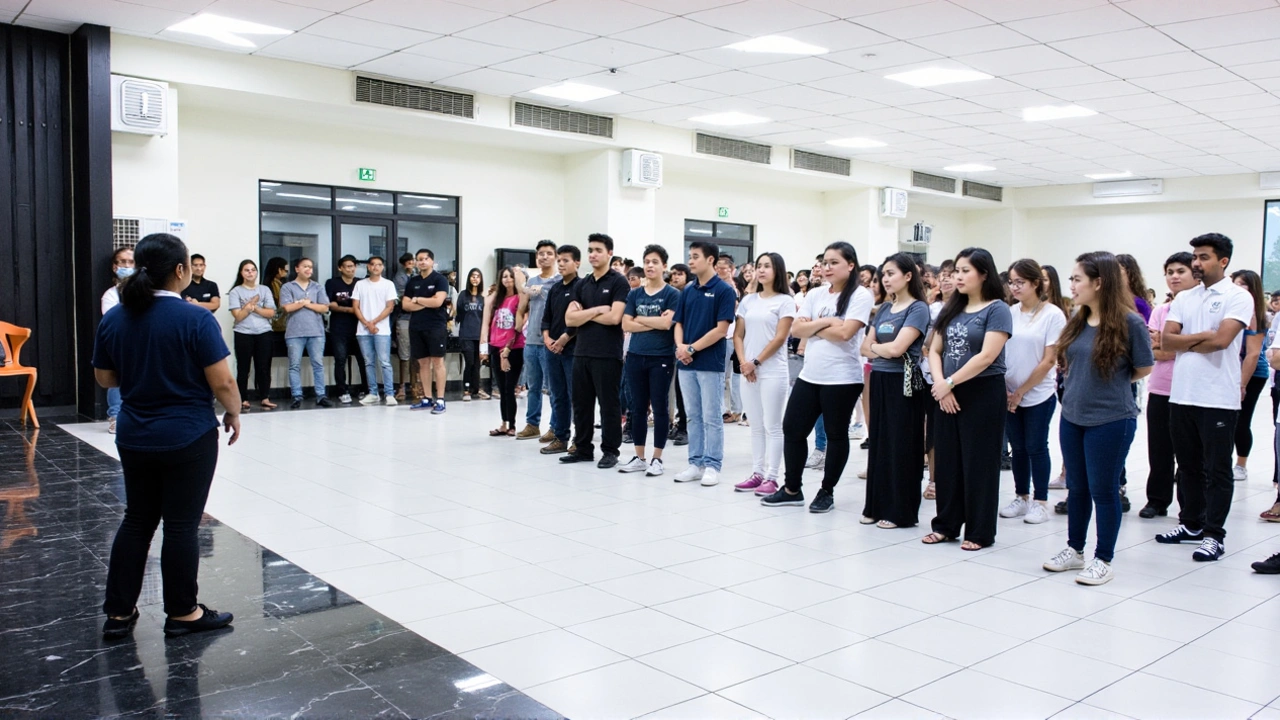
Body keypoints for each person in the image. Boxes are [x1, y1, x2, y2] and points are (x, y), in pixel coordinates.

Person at [92, 233, 237, 640]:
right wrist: (235, 412)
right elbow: (223, 381)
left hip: (134, 434)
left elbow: (105, 378)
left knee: (137, 520)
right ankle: (183, 613)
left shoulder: (115, 317)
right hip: (188, 436)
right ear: (180, 270)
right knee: (180, 525)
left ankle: (118, 613)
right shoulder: (195, 318)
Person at [1043, 252, 1153, 585]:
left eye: (1077, 279)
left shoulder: (1129, 321)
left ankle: (1103, 558)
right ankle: (1075, 551)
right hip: (1072, 415)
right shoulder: (1078, 317)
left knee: (1103, 491)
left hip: (1111, 419)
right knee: (1076, 489)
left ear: (1099, 282)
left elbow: (1143, 367)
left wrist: (1108, 386)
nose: (1071, 285)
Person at [1154, 233, 1253, 562]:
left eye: (1204, 257)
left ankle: (1214, 535)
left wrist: (1189, 339)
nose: (1196, 263)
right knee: (1188, 466)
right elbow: (1167, 342)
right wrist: (1202, 336)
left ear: (1223, 261)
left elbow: (1223, 341)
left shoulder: (1237, 297)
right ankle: (1191, 524)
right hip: (1182, 396)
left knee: (1217, 469)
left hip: (1217, 398)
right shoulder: (1184, 297)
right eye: (1195, 256)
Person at [761, 242, 872, 512]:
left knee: (835, 435)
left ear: (851, 265)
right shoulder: (816, 294)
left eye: (834, 262)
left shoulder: (860, 295)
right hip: (811, 375)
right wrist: (827, 323)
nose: (827, 267)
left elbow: (846, 334)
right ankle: (791, 489)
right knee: (793, 429)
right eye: (825, 262)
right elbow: (797, 330)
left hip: (843, 378)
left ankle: (826, 491)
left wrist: (815, 327)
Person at [922, 248, 1012, 551]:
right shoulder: (951, 308)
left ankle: (980, 531)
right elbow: (933, 350)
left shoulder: (997, 308)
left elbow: (987, 356)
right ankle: (946, 525)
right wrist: (940, 384)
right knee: (947, 461)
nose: (957, 277)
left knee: (979, 463)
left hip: (982, 391)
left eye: (965, 271)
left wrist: (948, 382)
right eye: (955, 271)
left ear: (984, 274)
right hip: (946, 390)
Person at [859, 254, 930, 528]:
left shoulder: (918, 309)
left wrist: (878, 349)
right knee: (879, 442)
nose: (886, 279)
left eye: (891, 274)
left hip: (905, 383)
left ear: (908, 276)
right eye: (883, 275)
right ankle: (876, 505)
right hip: (879, 380)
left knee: (902, 445)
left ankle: (901, 511)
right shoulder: (885, 309)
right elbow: (863, 347)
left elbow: (898, 349)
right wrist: (881, 350)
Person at [998, 259, 1067, 525]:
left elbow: (1049, 360)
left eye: (1020, 282)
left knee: (1036, 446)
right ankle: (1022, 496)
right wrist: (1007, 389)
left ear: (1035, 283)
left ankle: (1040, 501)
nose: (1014, 287)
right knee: (1018, 447)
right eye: (1011, 282)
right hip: (1009, 392)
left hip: (1038, 393)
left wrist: (1022, 391)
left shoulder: (1052, 314)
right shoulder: (1009, 312)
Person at [561, 234, 631, 468]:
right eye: (590, 250)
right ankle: (582, 448)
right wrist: (597, 310)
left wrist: (586, 315)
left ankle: (610, 450)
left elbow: (614, 318)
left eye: (598, 250)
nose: (593, 254)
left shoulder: (618, 282)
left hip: (607, 353)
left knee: (609, 404)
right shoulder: (583, 283)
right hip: (581, 352)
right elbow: (569, 318)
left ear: (609, 253)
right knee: (581, 403)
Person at [672, 241, 737, 486]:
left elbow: (721, 330)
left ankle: (712, 464)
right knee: (692, 416)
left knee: (711, 416)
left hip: (709, 362)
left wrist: (691, 348)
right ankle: (695, 462)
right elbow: (678, 322)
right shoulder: (688, 290)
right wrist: (680, 348)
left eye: (695, 256)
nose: (690, 261)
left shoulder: (724, 290)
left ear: (710, 260)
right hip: (685, 362)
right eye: (690, 256)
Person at [733, 252, 797, 495]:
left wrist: (756, 362)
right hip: (747, 370)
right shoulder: (749, 300)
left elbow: (781, 337)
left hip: (772, 371)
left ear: (777, 270)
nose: (761, 270)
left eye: (767, 266)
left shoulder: (785, 301)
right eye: (759, 266)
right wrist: (743, 362)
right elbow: (738, 335)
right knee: (756, 426)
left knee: (772, 425)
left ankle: (772, 476)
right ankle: (757, 472)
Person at [617, 245, 681, 476]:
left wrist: (641, 320)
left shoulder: (673, 294)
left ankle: (657, 458)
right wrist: (653, 320)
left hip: (661, 357)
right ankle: (640, 456)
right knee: (637, 407)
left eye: (655, 262)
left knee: (660, 407)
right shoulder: (635, 294)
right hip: (635, 356)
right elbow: (626, 324)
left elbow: (667, 325)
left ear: (664, 266)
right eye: (647, 262)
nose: (650, 266)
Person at [1140, 252, 1195, 519]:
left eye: (1180, 271)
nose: (1174, 276)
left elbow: (1199, 348)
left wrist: (1169, 343)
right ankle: (1157, 500)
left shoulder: (1199, 309)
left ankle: (1190, 507)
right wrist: (1173, 345)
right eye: (1170, 271)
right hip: (1161, 388)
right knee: (1159, 449)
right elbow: (1153, 349)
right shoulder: (1161, 310)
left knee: (1189, 454)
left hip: (1190, 391)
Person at [516, 240, 561, 440]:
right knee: (532, 386)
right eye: (541, 254)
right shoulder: (532, 281)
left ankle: (555, 426)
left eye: (548, 253)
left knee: (553, 388)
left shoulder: (559, 281)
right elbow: (522, 308)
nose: (544, 257)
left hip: (551, 342)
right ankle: (532, 424)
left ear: (556, 256)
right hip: (531, 340)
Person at [541, 246, 581, 455]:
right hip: (552, 349)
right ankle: (560, 437)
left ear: (577, 263)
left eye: (566, 260)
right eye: (560, 261)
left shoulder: (582, 287)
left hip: (572, 348)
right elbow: (546, 318)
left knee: (576, 396)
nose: (561, 264)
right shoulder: (555, 288)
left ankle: (578, 439)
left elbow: (581, 320)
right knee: (557, 395)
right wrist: (548, 338)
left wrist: (564, 339)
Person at [1231, 269, 1269, 482]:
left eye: (1243, 284)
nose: (1238, 288)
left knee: (1241, 420)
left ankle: (1241, 464)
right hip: (1230, 371)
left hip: (1253, 374)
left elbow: (1253, 355)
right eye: (1235, 283)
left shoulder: (1257, 315)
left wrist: (1242, 384)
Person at [402, 249, 450, 414]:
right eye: (419, 259)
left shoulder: (440, 279)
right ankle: (427, 398)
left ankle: (441, 400)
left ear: (432, 261)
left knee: (438, 362)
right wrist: (426, 301)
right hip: (416, 327)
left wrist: (418, 299)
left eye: (425, 259)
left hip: (435, 327)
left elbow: (438, 302)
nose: (422, 262)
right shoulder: (412, 281)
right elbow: (405, 305)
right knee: (423, 363)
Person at [279, 258, 331, 409]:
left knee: (318, 364)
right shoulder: (288, 287)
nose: (309, 269)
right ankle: (297, 396)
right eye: (305, 267)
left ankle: (321, 395)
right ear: (297, 269)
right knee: (294, 365)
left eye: (311, 267)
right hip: (294, 332)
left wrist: (304, 304)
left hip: (316, 332)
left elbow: (325, 308)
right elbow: (287, 308)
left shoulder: (317, 287)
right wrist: (304, 303)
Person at [227, 259, 277, 412]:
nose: (250, 272)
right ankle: (242, 398)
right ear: (241, 273)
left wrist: (252, 308)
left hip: (264, 332)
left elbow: (271, 312)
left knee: (263, 367)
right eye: (247, 270)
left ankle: (265, 397)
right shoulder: (235, 291)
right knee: (243, 368)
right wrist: (250, 308)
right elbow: (238, 316)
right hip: (243, 333)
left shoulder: (264, 290)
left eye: (253, 270)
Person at [481, 267, 526, 435]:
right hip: (495, 345)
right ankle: (503, 423)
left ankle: (512, 425)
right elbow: (487, 319)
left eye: (510, 276)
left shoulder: (519, 298)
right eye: (504, 276)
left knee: (509, 387)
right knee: (500, 387)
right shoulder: (497, 299)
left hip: (513, 348)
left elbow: (519, 326)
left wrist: (507, 349)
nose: (507, 279)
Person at [352, 256, 399, 406]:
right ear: (368, 267)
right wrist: (367, 323)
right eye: (372, 265)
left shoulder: (388, 284)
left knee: (385, 362)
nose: (375, 267)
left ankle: (389, 393)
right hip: (363, 330)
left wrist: (373, 322)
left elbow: (390, 307)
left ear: (383, 267)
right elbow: (355, 307)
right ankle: (373, 393)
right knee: (368, 362)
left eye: (379, 265)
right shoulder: (360, 284)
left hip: (382, 330)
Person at [326, 255, 369, 404]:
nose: (351, 269)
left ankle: (366, 389)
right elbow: (331, 305)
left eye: (353, 266)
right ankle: (342, 390)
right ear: (340, 268)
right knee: (340, 359)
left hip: (360, 327)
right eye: (348, 266)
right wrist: (351, 310)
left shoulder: (361, 283)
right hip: (339, 328)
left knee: (363, 360)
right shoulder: (332, 283)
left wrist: (350, 310)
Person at [102, 247, 135, 434]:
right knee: (118, 377)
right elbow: (112, 320)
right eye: (123, 262)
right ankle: (115, 416)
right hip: (121, 342)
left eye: (131, 262)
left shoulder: (148, 291)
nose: (127, 265)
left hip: (144, 341)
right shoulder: (111, 295)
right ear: (115, 267)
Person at [716, 253, 744, 424]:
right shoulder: (715, 286)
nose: (720, 270)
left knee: (734, 375)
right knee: (720, 376)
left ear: (732, 270)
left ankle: (736, 410)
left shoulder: (734, 288)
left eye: (723, 268)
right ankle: (723, 409)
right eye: (717, 268)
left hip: (732, 336)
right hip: (721, 335)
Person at [667, 263, 691, 446]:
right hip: (668, 347)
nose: (676, 277)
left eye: (680, 274)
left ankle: (685, 427)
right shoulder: (669, 293)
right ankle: (675, 424)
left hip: (688, 348)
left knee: (684, 392)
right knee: (672, 390)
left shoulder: (690, 293)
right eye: (673, 274)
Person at [456, 268, 487, 402]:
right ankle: (466, 389)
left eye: (478, 276)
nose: (475, 278)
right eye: (473, 276)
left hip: (479, 335)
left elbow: (485, 317)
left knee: (477, 363)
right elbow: (459, 314)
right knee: (469, 362)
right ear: (469, 278)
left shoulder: (483, 297)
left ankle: (477, 389)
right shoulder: (463, 295)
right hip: (466, 334)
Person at [393, 252, 416, 401]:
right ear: (403, 264)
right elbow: (403, 301)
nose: (412, 264)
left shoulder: (418, 275)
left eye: (413, 261)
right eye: (408, 262)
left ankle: (416, 385)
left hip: (419, 319)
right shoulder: (399, 278)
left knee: (418, 355)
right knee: (404, 354)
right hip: (404, 318)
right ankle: (402, 386)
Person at [265, 256, 289, 333]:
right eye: (286, 270)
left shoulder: (275, 283)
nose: (287, 272)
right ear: (279, 270)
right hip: (277, 325)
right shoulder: (274, 285)